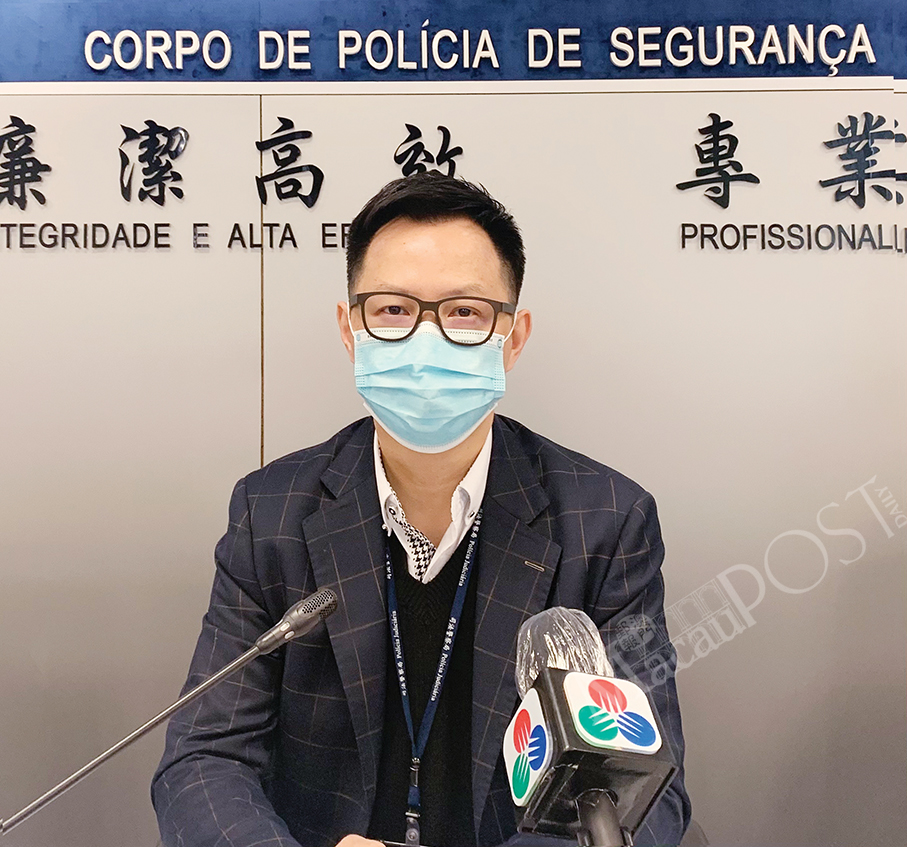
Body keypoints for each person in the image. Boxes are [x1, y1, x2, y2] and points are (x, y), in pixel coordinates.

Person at [152, 173, 691, 847]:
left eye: (464, 312)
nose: (425, 340)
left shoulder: (605, 522)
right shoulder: (273, 513)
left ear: (513, 337)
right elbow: (205, 760)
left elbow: (647, 794)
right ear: (349, 330)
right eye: (392, 310)